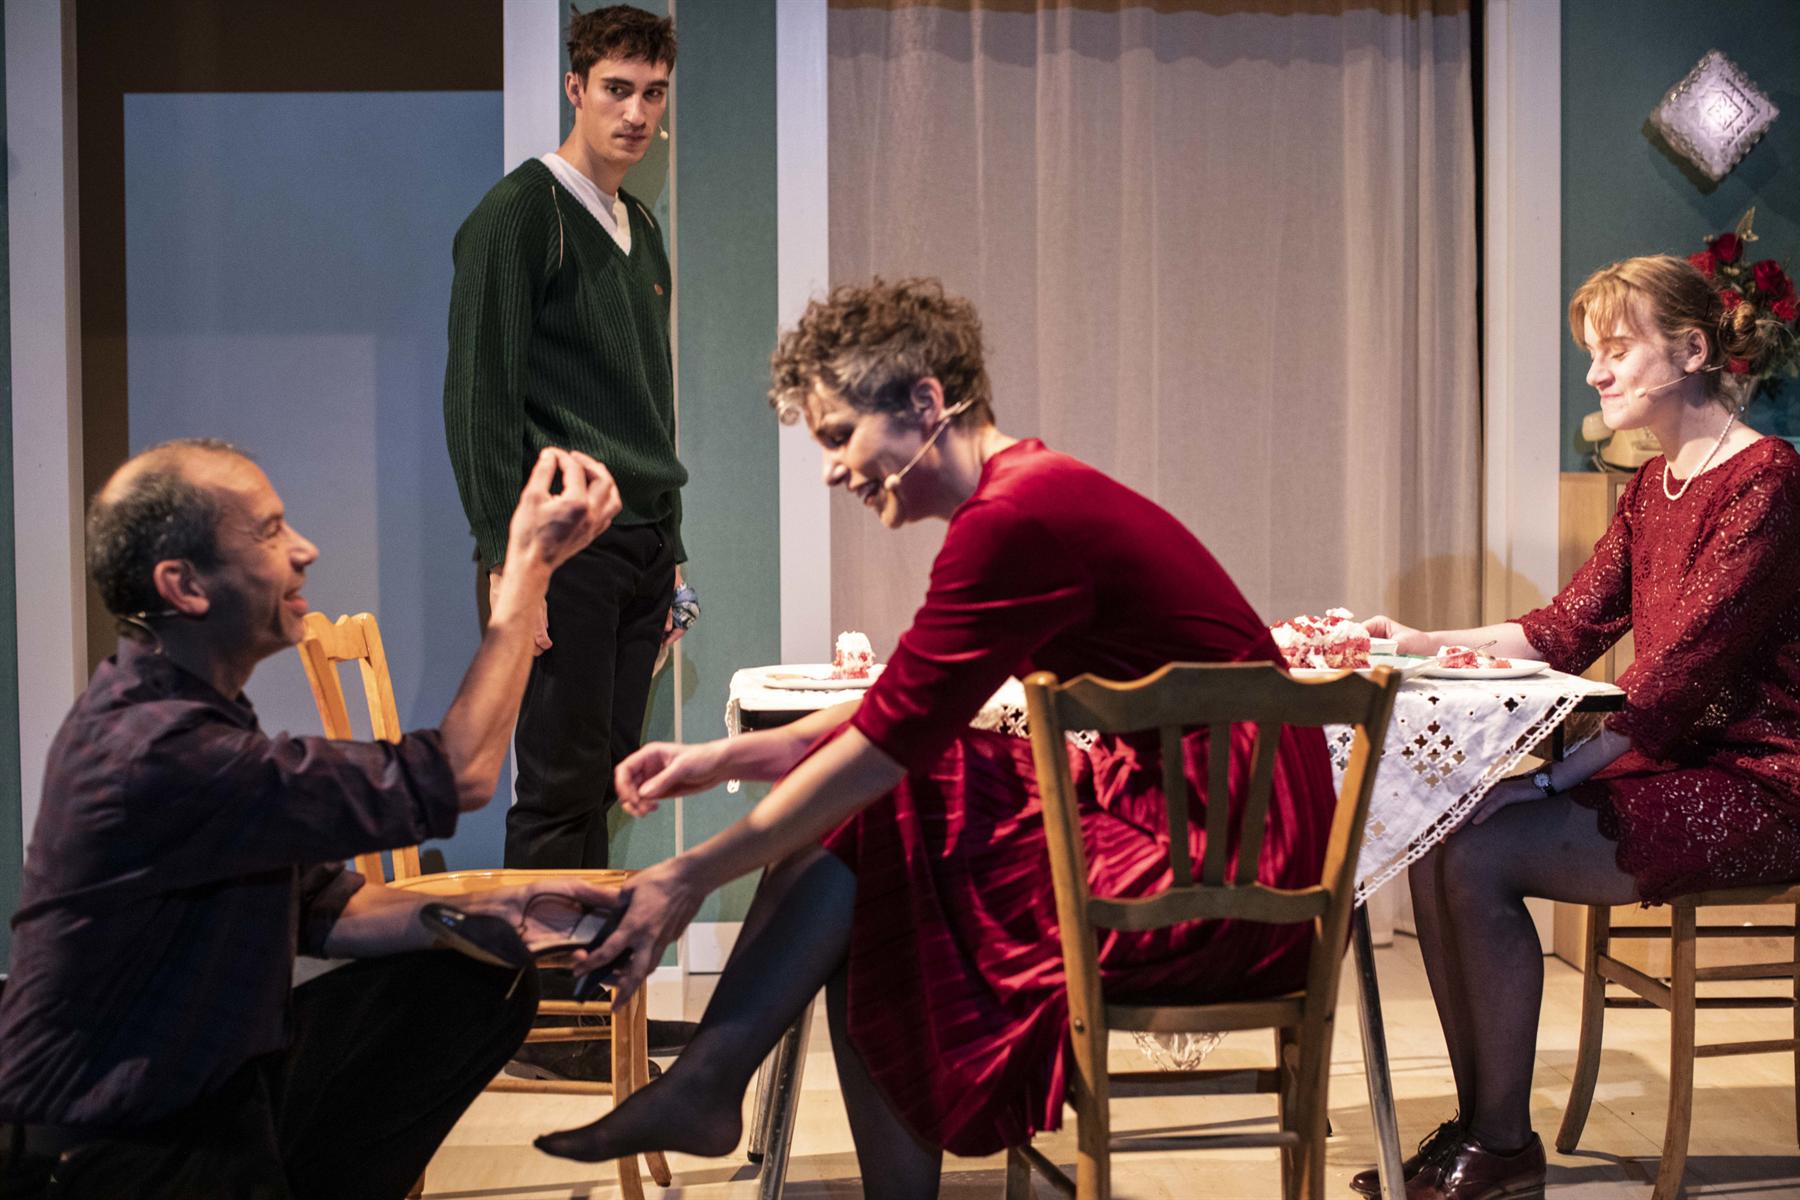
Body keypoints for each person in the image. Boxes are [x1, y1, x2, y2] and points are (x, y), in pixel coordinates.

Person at [530, 278, 1341, 1196]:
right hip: (1192, 824)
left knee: (895, 807)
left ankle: (710, 1081)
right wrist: (724, 758)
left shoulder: (1016, 519)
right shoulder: (1025, 497)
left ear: (925, 402)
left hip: (1228, 863)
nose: (832, 470)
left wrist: (687, 875)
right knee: (890, 851)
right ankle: (711, 1082)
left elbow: (890, 744)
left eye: (840, 436)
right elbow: (905, 704)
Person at [0, 438, 621, 1199]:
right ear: (183, 585)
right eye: (269, 532)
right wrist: (527, 571)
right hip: (107, 1153)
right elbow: (458, 772)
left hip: (208, 1100)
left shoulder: (194, 717)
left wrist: (509, 912)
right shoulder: (158, 750)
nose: (305, 549)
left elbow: (325, 907)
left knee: (474, 976)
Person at [1351, 253, 1800, 1200]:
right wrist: (1424, 641)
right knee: (1439, 837)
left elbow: (1678, 681)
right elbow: (1564, 629)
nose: (1595, 374)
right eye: (1593, 353)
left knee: (1481, 852)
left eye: (1615, 349)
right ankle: (1482, 1130)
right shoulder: (1651, 486)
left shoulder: (1766, 480)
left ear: (1691, 351)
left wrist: (1550, 779)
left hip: (1759, 781)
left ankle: (1503, 1145)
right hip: (1668, 763)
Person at [443, 4, 689, 876]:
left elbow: (648, 400)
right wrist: (506, 561)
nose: (636, 113)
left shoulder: (641, 226)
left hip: (642, 547)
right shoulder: (522, 212)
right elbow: (479, 395)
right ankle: (536, 967)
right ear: (575, 89)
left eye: (653, 94)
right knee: (556, 786)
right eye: (617, 89)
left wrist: (672, 549)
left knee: (604, 777)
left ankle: (586, 958)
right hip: (565, 547)